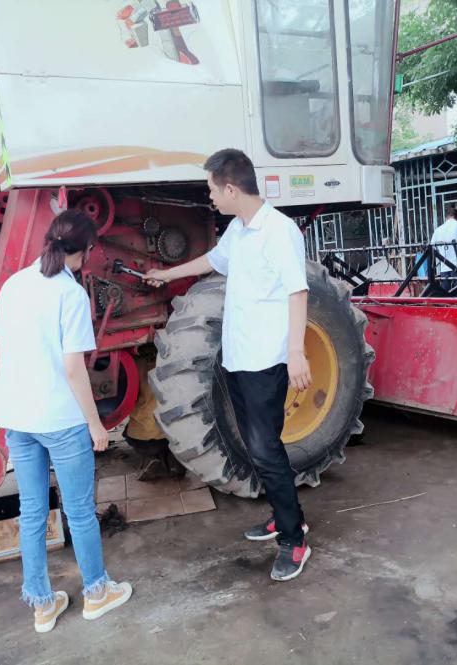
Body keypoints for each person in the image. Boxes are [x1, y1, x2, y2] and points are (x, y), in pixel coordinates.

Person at [145, 148, 312, 582]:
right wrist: (167, 274)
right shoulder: (239, 231)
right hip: (238, 357)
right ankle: (285, 515)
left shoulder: (279, 231)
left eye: (212, 190)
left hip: (265, 360)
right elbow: (212, 261)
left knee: (265, 449)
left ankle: (294, 539)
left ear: (232, 189)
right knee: (258, 447)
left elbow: (297, 292)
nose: (210, 197)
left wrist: (296, 353)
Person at [0, 210, 133, 633]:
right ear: (85, 251)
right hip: (58, 417)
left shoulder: (14, 284)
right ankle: (97, 593)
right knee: (80, 512)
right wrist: (96, 424)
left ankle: (42, 604)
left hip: (17, 416)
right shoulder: (71, 295)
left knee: (32, 512)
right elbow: (73, 369)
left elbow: (6, 344)